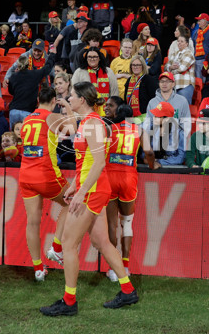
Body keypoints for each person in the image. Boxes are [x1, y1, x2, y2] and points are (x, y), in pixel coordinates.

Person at [39, 82, 138, 317]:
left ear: (82, 99)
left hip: (93, 191)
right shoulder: (87, 122)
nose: (69, 99)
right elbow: (86, 163)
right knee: (103, 242)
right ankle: (127, 290)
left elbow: (100, 163)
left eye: (71, 96)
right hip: (92, 188)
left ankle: (69, 302)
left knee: (69, 244)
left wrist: (81, 192)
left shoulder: (92, 123)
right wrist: (74, 186)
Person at [17, 87, 76, 280]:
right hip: (45, 174)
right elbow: (72, 129)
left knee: (32, 223)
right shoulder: (50, 117)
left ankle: (38, 268)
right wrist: (67, 106)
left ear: (37, 99)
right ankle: (56, 247)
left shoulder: (27, 119)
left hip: (26, 175)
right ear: (53, 102)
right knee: (72, 200)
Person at [104, 102, 155, 281]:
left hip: (109, 177)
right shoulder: (139, 130)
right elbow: (148, 151)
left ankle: (112, 269)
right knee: (127, 223)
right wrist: (152, 164)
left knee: (111, 224)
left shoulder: (109, 129)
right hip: (128, 178)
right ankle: (125, 266)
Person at [7, 53, 54, 127]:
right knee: (26, 137)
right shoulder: (34, 74)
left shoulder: (13, 76)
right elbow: (47, 68)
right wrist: (52, 54)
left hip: (14, 110)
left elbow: (10, 91)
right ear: (29, 64)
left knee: (13, 137)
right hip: (27, 111)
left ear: (18, 64)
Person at [144, 71, 192, 142]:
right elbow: (148, 123)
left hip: (176, 139)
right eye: (162, 81)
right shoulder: (152, 102)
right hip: (157, 138)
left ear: (173, 84)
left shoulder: (182, 101)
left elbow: (186, 123)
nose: (164, 84)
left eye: (167, 81)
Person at [71, 47, 118, 112]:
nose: (92, 59)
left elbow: (114, 92)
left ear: (99, 58)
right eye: (89, 57)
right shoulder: (79, 72)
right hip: (86, 111)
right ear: (86, 58)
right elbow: (74, 93)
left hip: (106, 110)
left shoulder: (109, 71)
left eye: (95, 57)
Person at [147, 101, 186, 168]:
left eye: (158, 117)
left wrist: (160, 162)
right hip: (152, 167)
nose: (154, 118)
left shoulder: (180, 133)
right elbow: (144, 154)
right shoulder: (149, 129)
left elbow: (181, 157)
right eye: (154, 116)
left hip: (171, 170)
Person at [124, 55, 158, 121]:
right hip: (131, 118)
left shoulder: (149, 79)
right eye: (133, 65)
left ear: (143, 66)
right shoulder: (129, 80)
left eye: (138, 65)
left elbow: (153, 99)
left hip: (145, 117)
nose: (135, 67)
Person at [164, 35, 195, 105]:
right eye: (178, 41)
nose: (179, 43)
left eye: (182, 41)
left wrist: (171, 70)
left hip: (185, 85)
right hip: (174, 86)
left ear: (187, 44)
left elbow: (182, 68)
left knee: (184, 109)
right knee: (174, 110)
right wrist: (171, 67)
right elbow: (166, 67)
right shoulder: (174, 54)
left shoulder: (189, 53)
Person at [191, 13, 209, 80]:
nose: (198, 22)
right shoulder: (196, 33)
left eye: (200, 20)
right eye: (198, 21)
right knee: (198, 82)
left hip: (207, 60)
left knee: (206, 81)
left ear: (205, 21)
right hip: (196, 60)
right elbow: (192, 46)